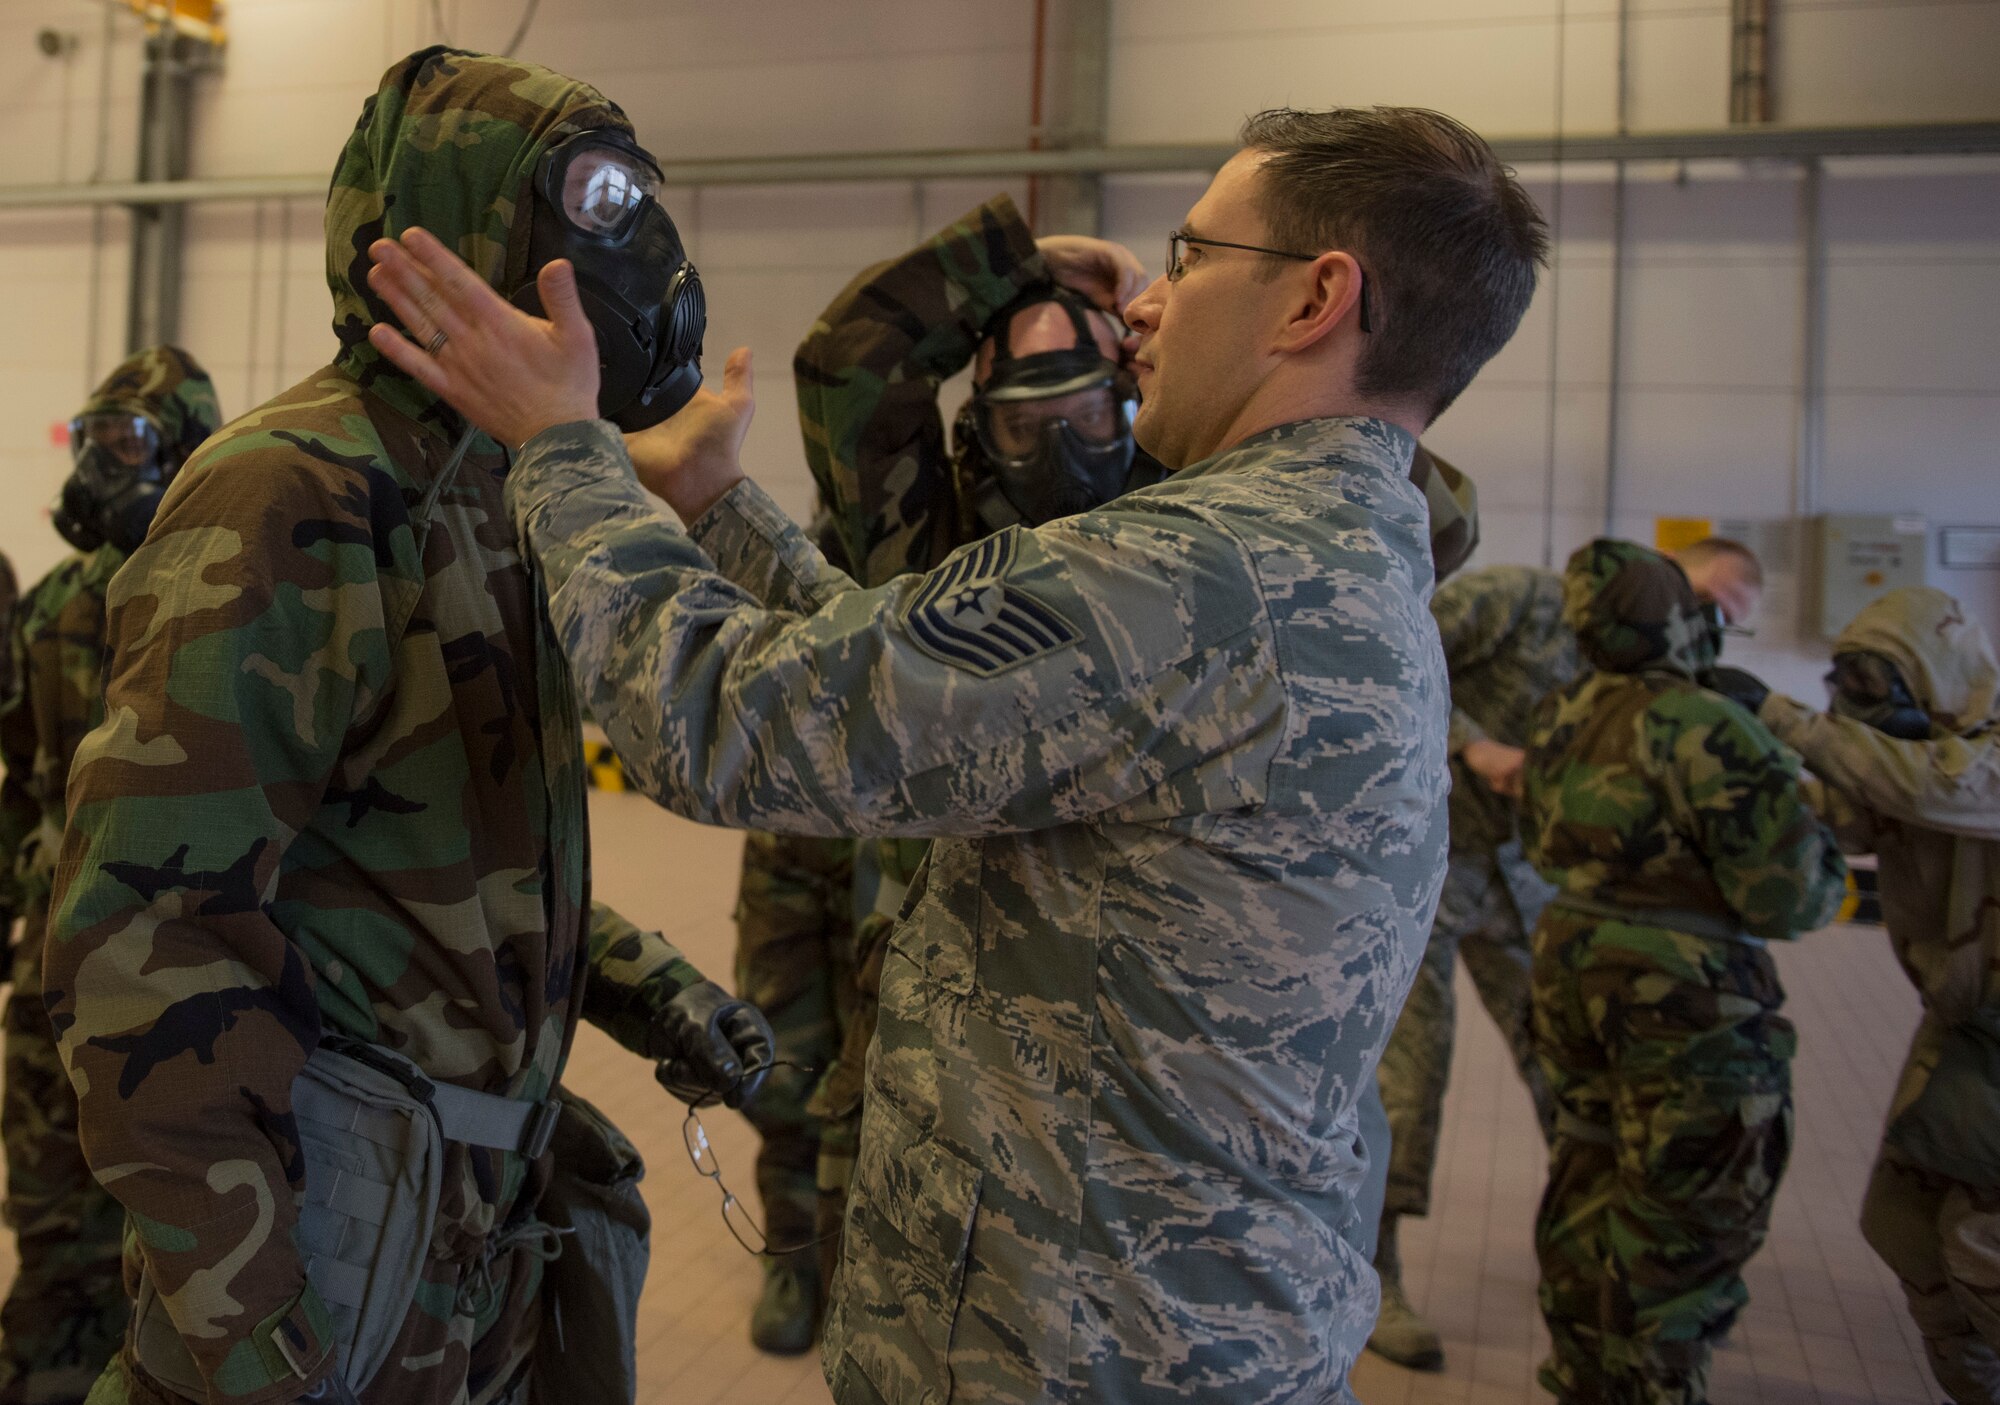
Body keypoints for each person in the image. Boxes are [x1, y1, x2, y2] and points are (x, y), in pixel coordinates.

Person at [367, 101, 1547, 1402]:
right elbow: (937, 711)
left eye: (1196, 254)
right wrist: (716, 506)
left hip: (1076, 1353)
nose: (1149, 302)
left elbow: (725, 721)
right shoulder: (1320, 555)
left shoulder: (1202, 573)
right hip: (1172, 1326)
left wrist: (561, 451)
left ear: (1317, 297)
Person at [44, 49, 774, 1405]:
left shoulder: (509, 486)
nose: (627, 260)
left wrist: (646, 983)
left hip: (473, 1229)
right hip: (325, 1253)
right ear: (454, 246)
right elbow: (146, 932)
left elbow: (455, 856)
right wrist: (243, 1320)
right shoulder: (291, 491)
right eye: (584, 212)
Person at [795, 192, 1487, 1319]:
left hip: (1165, 1017)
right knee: (909, 1234)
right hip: (958, 976)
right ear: (976, 422)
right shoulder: (931, 541)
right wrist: (1006, 260)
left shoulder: (1182, 519)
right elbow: (845, 361)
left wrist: (1207, 376)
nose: (1066, 440)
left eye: (1090, 405)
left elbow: (1423, 499)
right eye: (1029, 412)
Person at [1521, 538, 1847, 1405]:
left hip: (1570, 968)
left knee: (1588, 1169)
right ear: (1681, 621)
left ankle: (1583, 1372)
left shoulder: (1560, 712)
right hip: (1688, 997)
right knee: (1689, 1211)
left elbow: (1534, 840)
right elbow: (1792, 899)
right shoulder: (1708, 725)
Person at [1714, 586, 2000, 1403]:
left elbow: (1932, 788)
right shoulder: (1903, 759)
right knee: (1904, 1228)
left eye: (1876, 687)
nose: (1855, 705)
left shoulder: (1971, 762)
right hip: (1961, 1029)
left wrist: (1780, 712)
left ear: (1938, 678)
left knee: (1982, 1249)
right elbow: (1836, 813)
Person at [0, 346, 220, 1405]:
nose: (99, 466)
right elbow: (17, 784)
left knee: (183, 1240)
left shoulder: (227, 607)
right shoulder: (48, 611)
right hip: (53, 986)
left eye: (126, 443)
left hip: (186, 997)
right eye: (90, 442)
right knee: (48, 1217)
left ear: (185, 455)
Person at [1367, 561, 1573, 1369]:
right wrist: (1472, 745)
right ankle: (1376, 1272)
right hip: (1424, 861)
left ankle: (1587, 1251)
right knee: (1408, 1084)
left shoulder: (1656, 655)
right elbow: (1394, 653)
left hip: (1523, 878)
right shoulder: (1520, 599)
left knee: (1569, 1063)